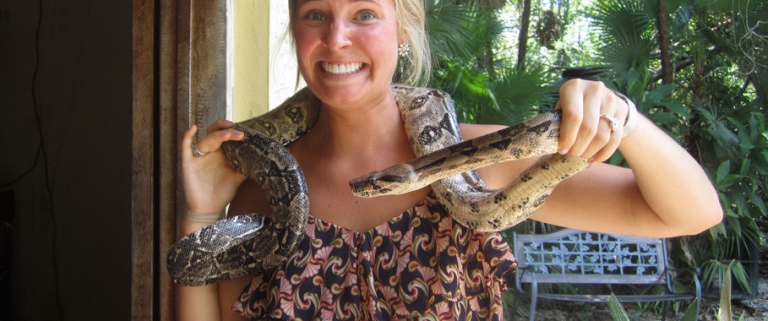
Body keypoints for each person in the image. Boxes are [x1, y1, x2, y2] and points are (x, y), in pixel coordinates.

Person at [175, 0, 723, 320]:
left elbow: (689, 214)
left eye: (364, 13)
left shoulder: (485, 160)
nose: (336, 38)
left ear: (404, 31)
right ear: (295, 31)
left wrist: (624, 119)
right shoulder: (265, 194)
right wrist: (201, 211)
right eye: (315, 13)